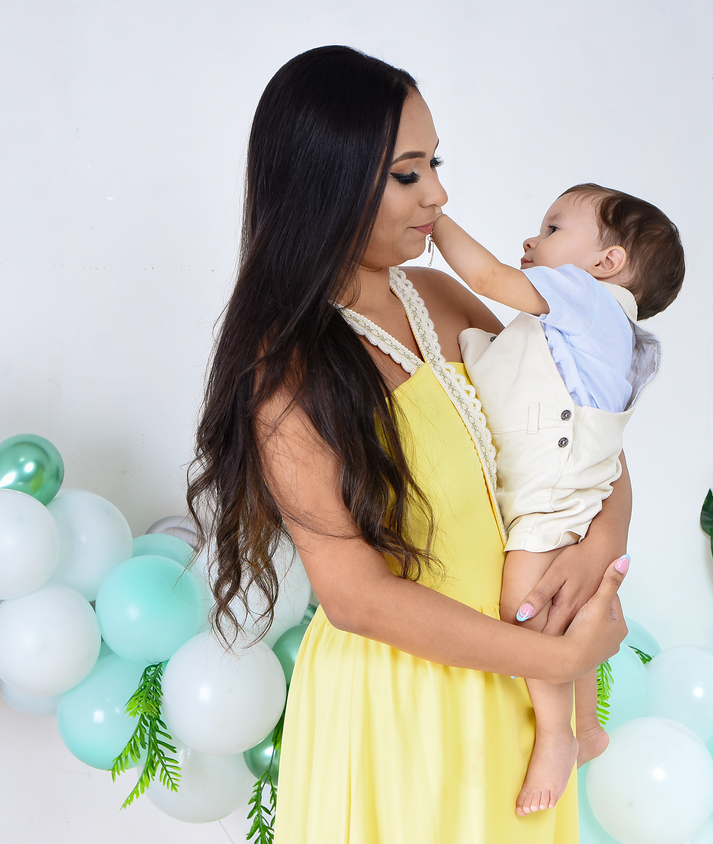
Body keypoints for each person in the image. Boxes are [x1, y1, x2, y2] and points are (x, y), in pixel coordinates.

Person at [186, 46, 629, 843]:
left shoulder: (441, 298)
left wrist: (599, 554)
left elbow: (590, 435)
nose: (439, 195)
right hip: (401, 707)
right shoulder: (289, 370)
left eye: (435, 165)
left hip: (523, 693)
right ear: (325, 184)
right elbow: (356, 598)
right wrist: (559, 660)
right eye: (407, 174)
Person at [431, 188, 683, 813]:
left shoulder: (586, 300)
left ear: (606, 263)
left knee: (525, 607)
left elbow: (487, 276)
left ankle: (555, 737)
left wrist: (432, 219)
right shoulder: (577, 326)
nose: (532, 239)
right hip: (560, 489)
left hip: (551, 495)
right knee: (563, 613)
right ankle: (588, 726)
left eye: (552, 228)